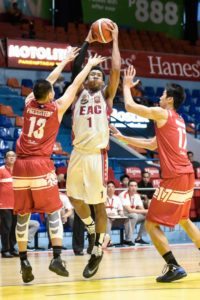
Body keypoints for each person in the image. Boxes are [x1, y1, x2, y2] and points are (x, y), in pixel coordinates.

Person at [12, 47, 106, 283]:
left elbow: (48, 81)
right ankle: (56, 257)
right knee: (53, 212)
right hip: (40, 165)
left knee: (22, 215)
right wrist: (86, 64)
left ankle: (23, 260)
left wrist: (63, 61)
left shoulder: (28, 101)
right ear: (51, 94)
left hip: (20, 166)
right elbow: (75, 85)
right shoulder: (57, 107)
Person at [111, 65, 200, 282]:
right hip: (187, 174)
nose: (159, 97)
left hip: (176, 176)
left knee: (150, 223)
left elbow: (130, 106)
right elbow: (152, 144)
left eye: (162, 94)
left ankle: (173, 266)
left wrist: (125, 84)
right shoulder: (177, 120)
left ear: (169, 100)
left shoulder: (163, 113)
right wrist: (123, 138)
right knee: (184, 219)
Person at [67, 23, 121, 278]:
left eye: (99, 75)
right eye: (92, 75)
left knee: (99, 204)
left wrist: (115, 41)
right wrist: (87, 40)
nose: (95, 77)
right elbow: (76, 67)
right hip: (78, 153)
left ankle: (97, 249)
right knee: (75, 199)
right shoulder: (77, 93)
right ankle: (93, 231)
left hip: (97, 156)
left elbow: (116, 70)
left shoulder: (107, 96)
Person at [0, 151, 18, 258]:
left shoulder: (19, 171)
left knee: (14, 228)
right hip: (4, 204)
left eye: (13, 156)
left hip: (16, 205)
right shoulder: (1, 170)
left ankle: (12, 248)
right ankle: (5, 250)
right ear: (5, 159)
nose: (11, 158)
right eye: (9, 156)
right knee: (6, 228)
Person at [119, 179, 149, 245]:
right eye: (131, 186)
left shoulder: (137, 196)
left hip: (132, 215)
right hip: (123, 215)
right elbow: (129, 210)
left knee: (147, 216)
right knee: (134, 215)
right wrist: (146, 211)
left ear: (137, 187)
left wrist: (148, 212)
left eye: (135, 186)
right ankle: (128, 239)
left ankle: (139, 238)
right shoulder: (123, 194)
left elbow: (142, 209)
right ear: (128, 187)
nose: (133, 188)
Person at [104, 181, 128, 247]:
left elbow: (120, 210)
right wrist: (107, 214)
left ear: (115, 189)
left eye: (112, 187)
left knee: (128, 218)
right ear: (106, 189)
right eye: (108, 187)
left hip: (116, 218)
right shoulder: (102, 198)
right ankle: (108, 241)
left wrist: (121, 214)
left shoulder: (117, 198)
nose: (111, 188)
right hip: (106, 218)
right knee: (107, 220)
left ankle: (128, 240)